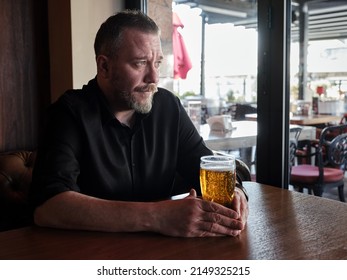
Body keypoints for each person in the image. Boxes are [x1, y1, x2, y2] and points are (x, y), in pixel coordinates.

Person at [30, 10, 249, 237]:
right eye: (140, 63)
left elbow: (202, 164)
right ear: (104, 67)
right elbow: (48, 207)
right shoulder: (68, 113)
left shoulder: (168, 106)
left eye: (158, 63)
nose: (154, 78)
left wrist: (236, 192)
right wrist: (158, 216)